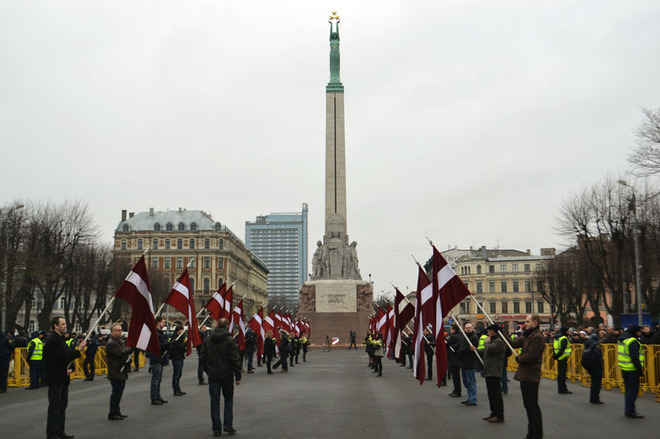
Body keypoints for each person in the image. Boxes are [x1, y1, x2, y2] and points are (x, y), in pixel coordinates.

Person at [43, 316, 86, 439]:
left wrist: (70, 368)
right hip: (55, 378)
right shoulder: (53, 340)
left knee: (62, 406)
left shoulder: (61, 339)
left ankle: (60, 431)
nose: (65, 326)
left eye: (65, 323)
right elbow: (61, 357)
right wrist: (79, 351)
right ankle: (52, 433)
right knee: (55, 407)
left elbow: (66, 356)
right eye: (62, 324)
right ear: (55, 325)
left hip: (62, 377)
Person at [199, 318, 242, 436]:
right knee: (228, 399)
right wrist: (237, 375)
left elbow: (202, 357)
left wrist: (208, 370)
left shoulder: (208, 339)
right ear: (227, 326)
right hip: (227, 374)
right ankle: (228, 425)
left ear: (217, 325)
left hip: (213, 374)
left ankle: (216, 428)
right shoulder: (230, 340)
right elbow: (234, 359)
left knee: (214, 401)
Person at [510, 314, 545, 439]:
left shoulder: (537, 338)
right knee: (528, 405)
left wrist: (518, 358)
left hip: (531, 374)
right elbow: (514, 343)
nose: (525, 323)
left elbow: (531, 356)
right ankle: (532, 432)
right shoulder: (528, 335)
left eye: (527, 321)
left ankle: (536, 434)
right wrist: (500, 333)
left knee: (532, 406)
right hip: (526, 375)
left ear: (535, 323)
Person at [105, 323, 134, 420]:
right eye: (118, 330)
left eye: (120, 330)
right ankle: (113, 413)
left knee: (119, 393)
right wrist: (131, 349)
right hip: (116, 371)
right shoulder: (111, 343)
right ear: (112, 332)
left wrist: (127, 359)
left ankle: (117, 411)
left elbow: (123, 352)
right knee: (116, 393)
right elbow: (119, 353)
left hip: (121, 370)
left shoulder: (119, 341)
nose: (120, 332)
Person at [618, 324, 645, 418]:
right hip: (632, 368)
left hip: (624, 367)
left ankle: (629, 409)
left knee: (629, 390)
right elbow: (635, 357)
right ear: (635, 331)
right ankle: (630, 411)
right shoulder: (632, 341)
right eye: (639, 331)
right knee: (632, 391)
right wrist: (639, 370)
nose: (641, 333)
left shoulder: (623, 338)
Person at [481, 324, 506, 423]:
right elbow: (486, 351)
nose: (487, 332)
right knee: (491, 393)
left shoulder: (499, 341)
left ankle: (499, 415)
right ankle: (493, 412)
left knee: (496, 394)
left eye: (489, 331)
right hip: (489, 370)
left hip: (494, 370)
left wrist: (487, 343)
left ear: (494, 331)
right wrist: (476, 350)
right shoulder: (493, 341)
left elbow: (490, 349)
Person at [149, 316, 171, 405]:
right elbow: (159, 346)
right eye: (163, 322)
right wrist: (169, 344)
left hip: (159, 359)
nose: (164, 324)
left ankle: (157, 395)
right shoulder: (155, 334)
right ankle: (154, 397)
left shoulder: (159, 333)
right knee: (155, 380)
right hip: (156, 358)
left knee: (158, 379)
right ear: (158, 322)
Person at [457, 323, 479, 406]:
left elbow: (467, 349)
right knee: (466, 382)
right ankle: (469, 398)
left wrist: (459, 352)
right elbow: (460, 346)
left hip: (470, 362)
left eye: (470, 328)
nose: (468, 329)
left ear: (473, 328)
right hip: (463, 362)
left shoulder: (473, 338)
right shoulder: (464, 337)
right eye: (467, 328)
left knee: (471, 382)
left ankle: (473, 399)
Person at [581, 332, 603, 404]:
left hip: (588, 365)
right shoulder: (596, 345)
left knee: (593, 382)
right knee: (596, 383)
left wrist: (587, 365)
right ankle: (595, 398)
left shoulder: (587, 345)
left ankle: (593, 398)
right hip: (595, 365)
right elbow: (596, 355)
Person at [552, 326, 573, 394]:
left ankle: (561, 388)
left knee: (560, 374)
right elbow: (562, 349)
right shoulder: (564, 338)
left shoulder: (556, 337)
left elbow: (554, 347)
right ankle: (563, 389)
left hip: (558, 357)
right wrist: (558, 355)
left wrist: (555, 355)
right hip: (563, 357)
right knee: (562, 375)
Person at [169, 325, 187, 396]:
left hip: (180, 357)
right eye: (181, 330)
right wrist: (186, 343)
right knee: (176, 374)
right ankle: (175, 390)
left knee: (179, 374)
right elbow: (179, 347)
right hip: (176, 358)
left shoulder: (181, 337)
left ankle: (178, 389)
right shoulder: (175, 338)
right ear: (178, 331)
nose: (182, 331)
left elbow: (182, 348)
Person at [447, 324, 462, 398]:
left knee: (455, 376)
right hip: (457, 358)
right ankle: (456, 390)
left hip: (453, 358)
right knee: (456, 375)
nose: (450, 330)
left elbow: (448, 344)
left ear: (454, 330)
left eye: (451, 329)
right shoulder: (460, 336)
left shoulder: (453, 337)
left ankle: (457, 391)